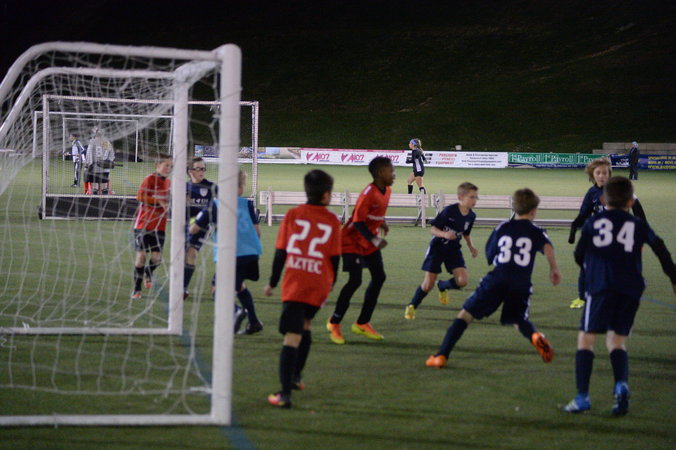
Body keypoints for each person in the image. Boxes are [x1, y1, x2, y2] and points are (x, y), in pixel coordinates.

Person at [563, 176, 675, 416]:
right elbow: (660, 247)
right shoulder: (638, 225)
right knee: (616, 341)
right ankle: (621, 385)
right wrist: (673, 277)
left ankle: (582, 397)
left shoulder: (594, 223)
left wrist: (591, 269)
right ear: (630, 201)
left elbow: (579, 255)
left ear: (604, 199)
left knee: (586, 339)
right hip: (631, 289)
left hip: (602, 286)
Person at [425, 188, 561, 369]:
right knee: (519, 320)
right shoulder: (536, 231)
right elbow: (548, 247)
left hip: (498, 278)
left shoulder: (502, 227)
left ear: (514, 207)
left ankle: (441, 355)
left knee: (466, 314)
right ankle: (536, 336)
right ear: (534, 211)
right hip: (521, 282)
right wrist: (554, 269)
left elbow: (490, 254)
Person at [264, 169, 342, 408]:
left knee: (291, 337)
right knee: (305, 325)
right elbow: (335, 259)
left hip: (296, 282)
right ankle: (296, 377)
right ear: (326, 195)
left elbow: (281, 252)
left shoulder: (293, 215)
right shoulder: (332, 220)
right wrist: (329, 286)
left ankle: (284, 394)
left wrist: (273, 282)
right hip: (318, 284)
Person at [326, 156, 394, 344]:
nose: (394, 175)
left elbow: (375, 212)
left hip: (368, 240)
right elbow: (357, 222)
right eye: (391, 171)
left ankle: (362, 323)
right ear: (380, 173)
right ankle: (334, 322)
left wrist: (382, 223)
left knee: (379, 277)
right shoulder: (368, 193)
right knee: (355, 280)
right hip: (351, 240)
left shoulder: (387, 190)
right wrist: (375, 240)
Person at [190, 169, 264, 334]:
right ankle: (254, 322)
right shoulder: (247, 204)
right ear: (240, 188)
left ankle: (236, 311)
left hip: (231, 254)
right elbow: (257, 232)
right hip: (252, 253)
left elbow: (194, 229)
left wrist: (191, 225)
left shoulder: (215, 205)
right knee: (239, 286)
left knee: (217, 290)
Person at [568, 157, 647, 309]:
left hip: (620, 237)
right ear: (592, 175)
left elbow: (638, 210)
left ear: (609, 174)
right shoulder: (591, 193)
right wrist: (573, 229)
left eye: (604, 173)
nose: (601, 176)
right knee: (587, 266)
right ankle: (582, 297)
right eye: (598, 173)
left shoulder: (620, 189)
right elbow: (583, 214)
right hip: (599, 237)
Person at [404, 182, 479, 320]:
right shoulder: (449, 211)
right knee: (428, 285)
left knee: (462, 281)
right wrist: (445, 234)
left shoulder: (471, 216)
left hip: (453, 249)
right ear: (461, 197)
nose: (475, 200)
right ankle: (412, 305)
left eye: (476, 197)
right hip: (437, 248)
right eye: (471, 197)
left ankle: (443, 285)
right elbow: (433, 229)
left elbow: (466, 233)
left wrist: (471, 247)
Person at [131, 154, 172, 299]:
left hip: (159, 226)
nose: (169, 168)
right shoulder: (149, 179)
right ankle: (137, 289)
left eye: (171, 166)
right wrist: (158, 201)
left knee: (157, 259)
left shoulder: (169, 183)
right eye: (166, 165)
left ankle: (148, 273)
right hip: (143, 225)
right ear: (157, 165)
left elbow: (169, 201)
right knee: (141, 257)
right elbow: (139, 196)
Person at [183, 157, 218, 300]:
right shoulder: (184, 187)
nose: (202, 171)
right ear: (190, 171)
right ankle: (181, 283)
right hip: (185, 226)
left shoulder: (212, 187)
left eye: (203, 168)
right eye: (199, 168)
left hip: (203, 227)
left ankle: (183, 288)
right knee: (183, 256)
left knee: (191, 252)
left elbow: (223, 203)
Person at [85, 127, 115, 194]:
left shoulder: (92, 142)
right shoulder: (106, 142)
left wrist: (88, 164)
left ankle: (95, 198)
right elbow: (111, 155)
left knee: (94, 188)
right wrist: (108, 162)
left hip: (94, 168)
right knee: (104, 188)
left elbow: (89, 154)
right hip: (104, 168)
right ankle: (104, 198)